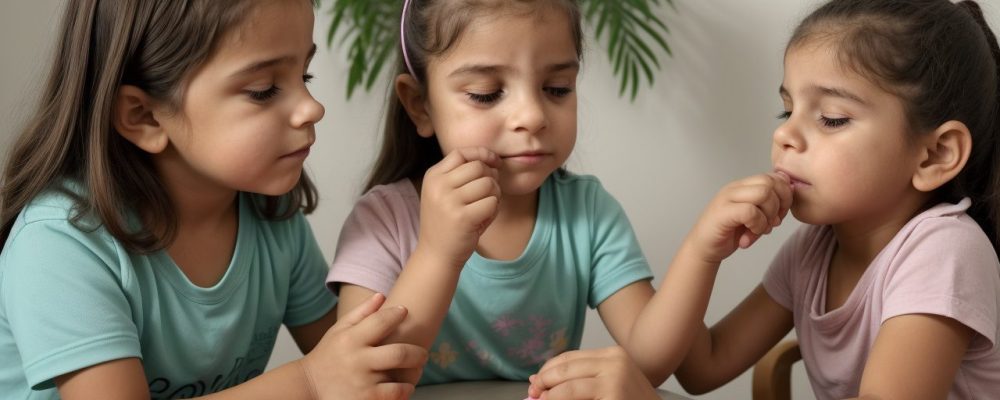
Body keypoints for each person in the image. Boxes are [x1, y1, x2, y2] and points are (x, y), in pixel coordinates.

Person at [532, 0, 1000, 399]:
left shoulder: (943, 252)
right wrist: (703, 249)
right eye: (787, 109)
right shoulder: (813, 251)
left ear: (935, 154)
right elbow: (703, 367)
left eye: (832, 118)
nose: (784, 134)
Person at [0, 1, 426, 399]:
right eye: (263, 89)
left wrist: (440, 250)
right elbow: (327, 372)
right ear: (144, 116)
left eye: (306, 76)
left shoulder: (273, 220)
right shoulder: (60, 244)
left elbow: (370, 365)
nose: (312, 108)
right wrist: (310, 380)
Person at [325, 0, 662, 395]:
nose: (532, 116)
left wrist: (701, 249)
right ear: (420, 105)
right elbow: (359, 383)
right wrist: (437, 252)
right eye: (486, 94)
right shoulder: (383, 220)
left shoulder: (588, 213)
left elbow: (652, 362)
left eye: (557, 89)